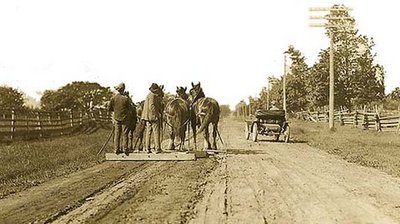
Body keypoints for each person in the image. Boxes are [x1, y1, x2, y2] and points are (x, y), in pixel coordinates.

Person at [108, 83, 131, 155]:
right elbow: (130, 108)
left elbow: (110, 108)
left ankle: (116, 149)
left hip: (116, 118)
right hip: (125, 119)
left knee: (117, 134)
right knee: (125, 134)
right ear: (123, 89)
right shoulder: (126, 99)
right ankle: (125, 149)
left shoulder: (113, 98)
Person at [141, 83, 164, 153]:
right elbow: (152, 106)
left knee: (148, 132)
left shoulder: (148, 95)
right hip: (153, 117)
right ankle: (157, 148)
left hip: (147, 117)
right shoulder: (153, 96)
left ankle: (147, 148)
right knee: (156, 132)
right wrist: (157, 115)